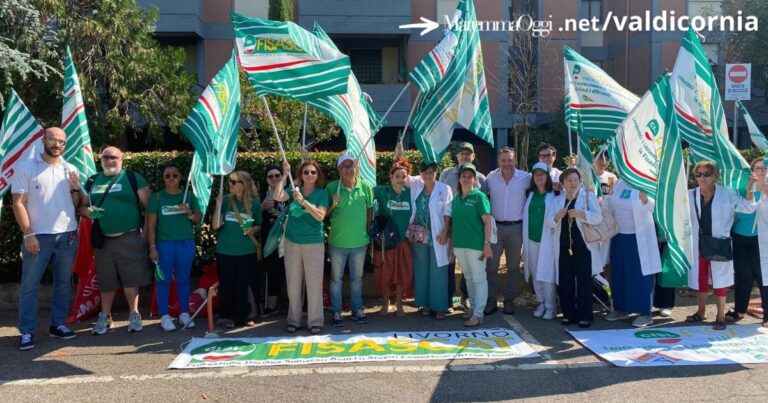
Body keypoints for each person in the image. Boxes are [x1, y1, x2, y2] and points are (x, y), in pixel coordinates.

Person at [11, 127, 81, 350]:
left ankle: (58, 325)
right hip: (38, 236)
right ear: (43, 141)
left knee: (63, 283)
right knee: (30, 285)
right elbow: (18, 203)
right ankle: (27, 331)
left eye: (61, 141)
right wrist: (28, 233)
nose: (56, 144)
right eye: (52, 139)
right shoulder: (25, 167)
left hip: (68, 234)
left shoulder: (71, 169)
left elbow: (75, 205)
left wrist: (75, 189)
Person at [77, 146, 152, 335]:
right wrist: (88, 212)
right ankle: (105, 316)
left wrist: (146, 234)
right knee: (106, 280)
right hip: (103, 240)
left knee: (131, 279)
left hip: (129, 237)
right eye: (105, 157)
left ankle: (134, 314)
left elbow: (150, 208)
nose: (109, 161)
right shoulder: (93, 180)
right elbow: (81, 208)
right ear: (100, 160)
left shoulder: (133, 178)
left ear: (121, 159)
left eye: (113, 157)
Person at [686, 161, 756, 330]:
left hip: (719, 243)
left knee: (720, 280)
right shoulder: (690, 195)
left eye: (707, 174)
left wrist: (749, 190)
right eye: (698, 174)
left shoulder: (727, 193)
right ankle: (701, 312)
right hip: (698, 243)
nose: (702, 178)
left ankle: (720, 316)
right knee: (701, 279)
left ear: (715, 176)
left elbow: (747, 208)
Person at [273, 160, 328, 334]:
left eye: (313, 172)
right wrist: (284, 176)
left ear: (317, 175)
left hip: (314, 243)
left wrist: (303, 202)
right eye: (306, 172)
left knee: (314, 284)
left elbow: (320, 216)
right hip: (292, 242)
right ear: (301, 175)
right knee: (293, 284)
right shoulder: (293, 190)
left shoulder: (322, 194)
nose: (309, 175)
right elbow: (277, 196)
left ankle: (315, 321)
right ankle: (294, 320)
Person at [146, 164, 201, 331]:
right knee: (163, 280)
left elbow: (198, 219)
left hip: (185, 243)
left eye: (174, 175)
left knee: (183, 279)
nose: (171, 178)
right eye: (167, 175)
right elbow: (151, 226)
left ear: (180, 178)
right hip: (164, 244)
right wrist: (152, 247)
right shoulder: (156, 197)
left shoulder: (189, 196)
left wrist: (189, 212)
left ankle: (184, 313)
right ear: (163, 178)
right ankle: (164, 316)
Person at [547, 168, 603, 328]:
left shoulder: (588, 196)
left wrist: (582, 214)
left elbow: (598, 218)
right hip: (564, 246)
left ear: (580, 181)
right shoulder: (558, 200)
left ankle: (585, 315)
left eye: (575, 180)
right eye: (569, 180)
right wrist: (557, 217)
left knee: (584, 280)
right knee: (565, 280)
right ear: (563, 183)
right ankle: (568, 314)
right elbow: (549, 223)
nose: (573, 183)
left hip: (583, 246)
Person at [602, 179, 661, 328]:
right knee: (619, 273)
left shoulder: (645, 180)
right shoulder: (618, 183)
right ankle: (621, 309)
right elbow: (610, 206)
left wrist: (646, 199)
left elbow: (657, 208)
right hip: (618, 236)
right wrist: (604, 199)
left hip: (639, 237)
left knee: (640, 275)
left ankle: (645, 313)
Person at [482, 147, 530, 315]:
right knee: (491, 266)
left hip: (516, 227)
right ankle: (491, 299)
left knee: (513, 267)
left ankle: (509, 300)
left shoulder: (526, 178)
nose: (507, 163)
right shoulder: (490, 178)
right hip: (495, 227)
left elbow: (542, 186)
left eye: (510, 160)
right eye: (503, 160)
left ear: (515, 160)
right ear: (498, 162)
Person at [327, 154, 374, 327]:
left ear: (355, 167)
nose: (348, 169)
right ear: (338, 169)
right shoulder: (332, 187)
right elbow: (323, 214)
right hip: (337, 243)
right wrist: (333, 204)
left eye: (351, 165)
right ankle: (336, 311)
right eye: (344, 166)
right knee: (336, 279)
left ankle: (357, 310)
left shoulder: (365, 187)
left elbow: (369, 211)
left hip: (360, 242)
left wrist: (368, 233)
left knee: (357, 279)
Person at [212, 171, 262, 329]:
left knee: (244, 284)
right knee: (227, 284)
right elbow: (215, 226)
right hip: (225, 250)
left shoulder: (254, 203)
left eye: (234, 182)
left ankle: (245, 315)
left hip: (246, 251)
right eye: (230, 182)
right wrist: (218, 206)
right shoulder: (225, 201)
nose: (231, 185)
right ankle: (229, 316)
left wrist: (252, 229)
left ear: (244, 184)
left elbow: (259, 224)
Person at [439, 142, 484, 309]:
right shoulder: (446, 174)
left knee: (469, 264)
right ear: (457, 156)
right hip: (449, 224)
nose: (465, 156)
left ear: (473, 156)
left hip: (471, 228)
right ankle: (448, 299)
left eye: (468, 153)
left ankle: (466, 298)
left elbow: (485, 204)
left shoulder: (481, 178)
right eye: (462, 153)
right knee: (448, 263)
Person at [409, 162, 453, 319]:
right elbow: (400, 171)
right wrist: (399, 152)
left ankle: (439, 306)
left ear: (436, 173)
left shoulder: (444, 189)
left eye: (431, 172)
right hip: (419, 236)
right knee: (421, 269)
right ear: (420, 173)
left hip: (438, 235)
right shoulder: (416, 185)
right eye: (424, 172)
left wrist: (445, 232)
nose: (427, 175)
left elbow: (448, 212)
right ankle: (424, 304)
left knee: (438, 270)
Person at [452, 163, 493, 327]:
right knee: (468, 277)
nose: (466, 179)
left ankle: (478, 314)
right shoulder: (456, 198)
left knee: (479, 279)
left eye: (470, 176)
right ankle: (473, 308)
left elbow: (487, 222)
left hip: (476, 246)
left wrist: (487, 244)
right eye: (464, 176)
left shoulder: (479, 197)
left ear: (474, 180)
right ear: (459, 179)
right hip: (460, 245)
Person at [372, 158, 413, 316]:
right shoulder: (382, 191)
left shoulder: (410, 193)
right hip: (386, 243)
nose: (400, 179)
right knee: (385, 274)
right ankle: (385, 303)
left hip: (403, 241)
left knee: (402, 273)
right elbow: (364, 190)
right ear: (391, 177)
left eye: (403, 176)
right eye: (397, 176)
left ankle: (399, 304)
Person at [522, 162, 558, 320]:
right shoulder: (529, 193)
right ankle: (540, 302)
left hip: (547, 241)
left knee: (547, 274)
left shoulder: (554, 194)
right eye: (536, 174)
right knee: (535, 272)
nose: (539, 177)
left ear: (547, 176)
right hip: (531, 239)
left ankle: (550, 306)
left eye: (542, 174)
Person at [258, 165, 289, 317]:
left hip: (288, 239)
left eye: (277, 175)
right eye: (270, 176)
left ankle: (293, 305)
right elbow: (252, 218)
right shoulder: (261, 196)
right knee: (273, 272)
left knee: (290, 272)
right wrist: (261, 207)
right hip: (270, 241)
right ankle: (271, 306)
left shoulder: (288, 193)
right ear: (266, 180)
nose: (274, 178)